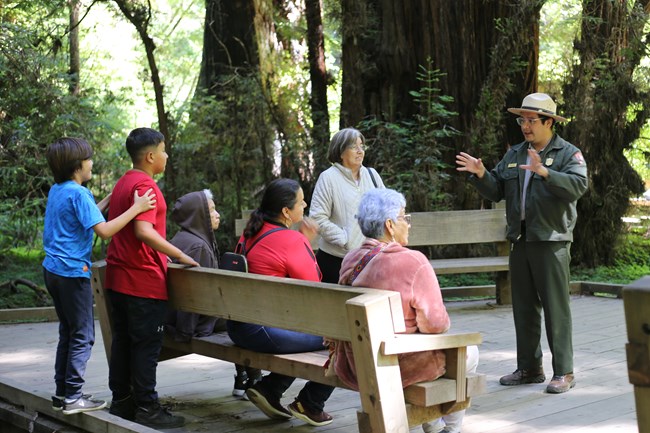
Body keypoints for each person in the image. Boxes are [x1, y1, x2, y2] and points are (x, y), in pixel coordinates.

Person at [456, 93, 588, 394]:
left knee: (556, 308)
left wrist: (546, 172)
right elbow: (497, 190)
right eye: (522, 120)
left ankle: (564, 372)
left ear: (549, 122)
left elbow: (579, 186)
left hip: (551, 240)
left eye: (531, 120)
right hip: (520, 239)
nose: (525, 126)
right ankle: (529, 367)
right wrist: (480, 174)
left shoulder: (568, 153)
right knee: (524, 308)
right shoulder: (515, 153)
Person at [337, 188, 479, 433]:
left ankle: (433, 426)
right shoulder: (412, 261)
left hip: (357, 361)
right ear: (390, 225)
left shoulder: (351, 259)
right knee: (470, 352)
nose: (409, 224)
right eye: (405, 217)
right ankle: (448, 429)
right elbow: (436, 324)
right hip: (403, 365)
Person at [42, 137, 155, 415]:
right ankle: (74, 397)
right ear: (77, 165)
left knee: (67, 333)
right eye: (89, 159)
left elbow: (91, 211)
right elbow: (104, 230)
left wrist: (114, 196)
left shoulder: (61, 190)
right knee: (82, 335)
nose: (92, 162)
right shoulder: (78, 194)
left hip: (52, 270)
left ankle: (63, 393)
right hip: (71, 273)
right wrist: (136, 208)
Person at [104, 127, 199, 429]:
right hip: (141, 280)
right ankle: (148, 408)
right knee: (146, 345)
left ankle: (122, 402)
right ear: (150, 156)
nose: (166, 155)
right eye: (163, 149)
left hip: (117, 277)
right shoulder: (145, 186)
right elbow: (143, 232)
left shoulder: (124, 182)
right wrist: (181, 255)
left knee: (123, 341)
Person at [226, 178, 335, 427]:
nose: (305, 204)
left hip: (239, 327)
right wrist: (305, 241)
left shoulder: (250, 232)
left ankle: (270, 389)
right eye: (300, 201)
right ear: (286, 211)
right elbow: (314, 288)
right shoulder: (292, 241)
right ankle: (311, 402)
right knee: (342, 340)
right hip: (262, 331)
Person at [165, 189, 261, 397]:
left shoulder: (179, 239)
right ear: (197, 215)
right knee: (245, 317)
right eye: (211, 210)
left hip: (178, 315)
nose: (217, 214)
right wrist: (185, 331)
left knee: (237, 313)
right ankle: (253, 379)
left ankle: (245, 378)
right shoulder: (199, 246)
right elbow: (197, 296)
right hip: (196, 321)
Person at [309, 127, 385, 284]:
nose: (359, 151)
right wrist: (345, 239)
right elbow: (317, 217)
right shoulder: (328, 178)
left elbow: (387, 208)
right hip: (336, 261)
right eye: (353, 146)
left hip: (371, 258)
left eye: (361, 146)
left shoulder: (372, 175)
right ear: (340, 152)